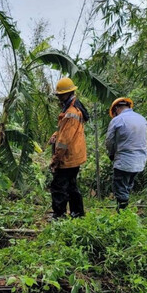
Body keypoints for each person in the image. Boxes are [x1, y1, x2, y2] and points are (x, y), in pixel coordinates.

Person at [49, 77, 88, 220]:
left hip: (68, 157)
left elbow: (64, 140)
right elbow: (64, 131)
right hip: (74, 156)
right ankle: (77, 213)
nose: (59, 97)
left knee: (59, 186)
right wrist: (55, 134)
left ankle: (59, 216)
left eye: (60, 94)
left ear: (67, 93)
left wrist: (56, 159)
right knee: (71, 185)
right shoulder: (73, 108)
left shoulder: (71, 112)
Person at [105, 97, 147, 210]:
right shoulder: (142, 119)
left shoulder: (117, 120)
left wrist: (111, 154)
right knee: (127, 185)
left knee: (120, 187)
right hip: (140, 161)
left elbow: (109, 141)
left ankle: (123, 214)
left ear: (116, 109)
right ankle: (125, 210)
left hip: (124, 160)